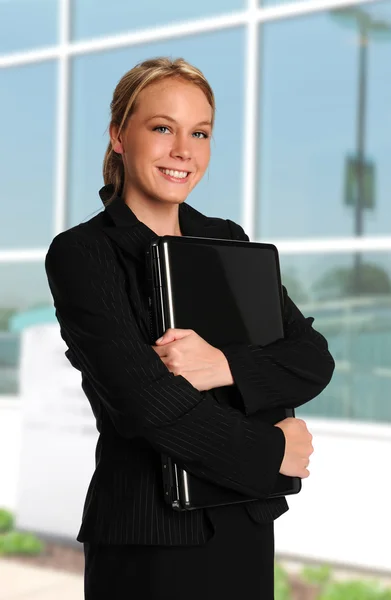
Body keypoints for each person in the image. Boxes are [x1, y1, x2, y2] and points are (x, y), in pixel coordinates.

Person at [45, 57, 335, 600]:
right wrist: (270, 453)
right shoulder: (83, 254)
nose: (184, 150)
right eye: (162, 128)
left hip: (243, 526)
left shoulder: (226, 240)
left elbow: (312, 358)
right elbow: (143, 403)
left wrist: (224, 365)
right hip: (149, 537)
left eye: (199, 132)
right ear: (118, 136)